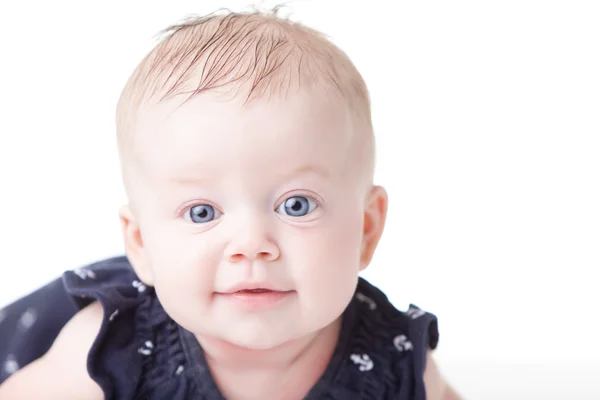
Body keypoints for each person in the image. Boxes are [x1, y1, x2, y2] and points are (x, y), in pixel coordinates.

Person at [0, 9, 461, 399]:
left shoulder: (399, 361)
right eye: (202, 212)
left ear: (366, 229)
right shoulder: (106, 352)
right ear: (141, 245)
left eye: (297, 205)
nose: (251, 245)